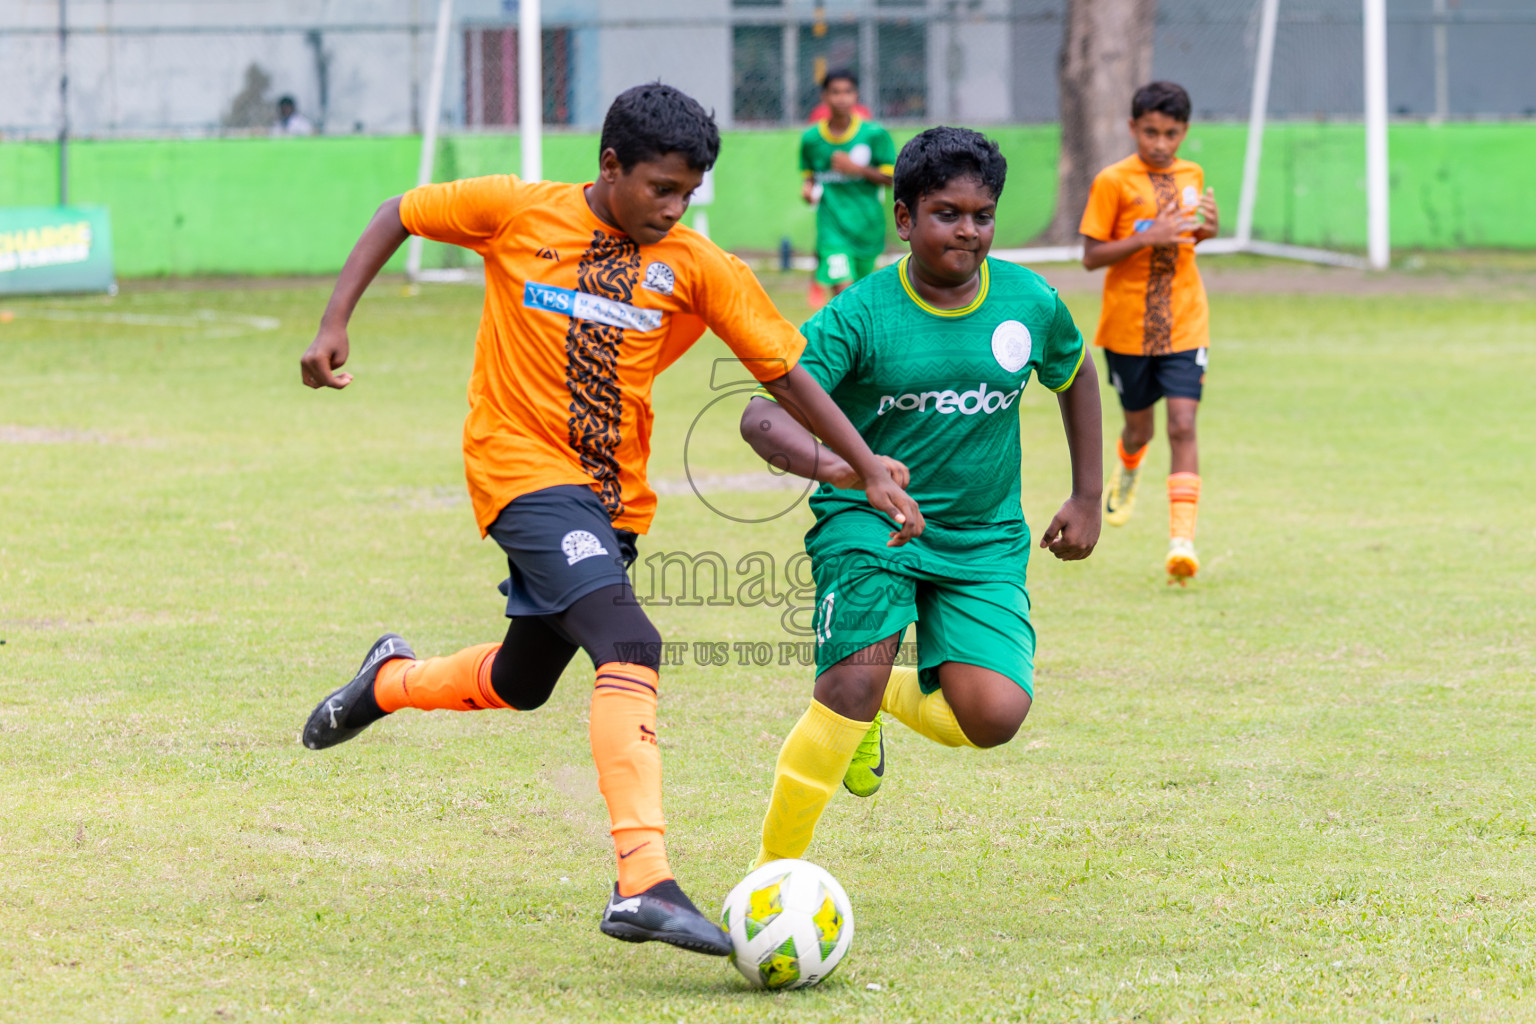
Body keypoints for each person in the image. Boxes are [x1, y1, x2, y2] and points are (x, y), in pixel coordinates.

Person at [295, 83, 922, 955]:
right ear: (609, 166)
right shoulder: (515, 211)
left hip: (611, 501)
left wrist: (864, 467)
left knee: (521, 681)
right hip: (519, 469)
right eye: (660, 189)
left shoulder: (696, 265)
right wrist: (335, 323)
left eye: (688, 193)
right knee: (630, 644)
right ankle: (645, 882)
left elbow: (784, 372)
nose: (674, 208)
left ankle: (389, 679)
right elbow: (395, 212)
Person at [742, 127, 1102, 867]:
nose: (967, 231)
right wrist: (846, 471)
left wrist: (1088, 495)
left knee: (994, 716)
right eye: (946, 213)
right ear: (904, 218)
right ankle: (770, 877)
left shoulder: (1029, 301)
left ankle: (883, 701)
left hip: (982, 536)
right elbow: (763, 414)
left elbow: (1076, 373)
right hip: (870, 521)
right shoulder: (861, 314)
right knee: (847, 683)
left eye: (982, 214)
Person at [1079, 81, 1218, 582]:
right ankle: (1130, 464)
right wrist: (1148, 236)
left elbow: (1188, 240)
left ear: (1184, 132)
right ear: (1134, 127)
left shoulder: (1192, 175)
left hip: (1186, 321)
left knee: (1182, 425)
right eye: (1151, 132)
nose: (1161, 143)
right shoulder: (1113, 181)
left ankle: (1182, 541)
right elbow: (1091, 257)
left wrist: (1205, 231)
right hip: (1128, 328)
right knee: (1141, 427)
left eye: (1172, 133)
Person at [799, 70, 896, 310]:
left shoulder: (874, 135)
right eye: (835, 92)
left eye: (847, 92)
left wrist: (857, 169)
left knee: (861, 294)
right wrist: (808, 190)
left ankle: (860, 345)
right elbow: (810, 177)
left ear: (856, 96)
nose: (841, 98)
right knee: (845, 295)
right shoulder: (811, 139)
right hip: (832, 230)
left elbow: (891, 178)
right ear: (824, 97)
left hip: (867, 228)